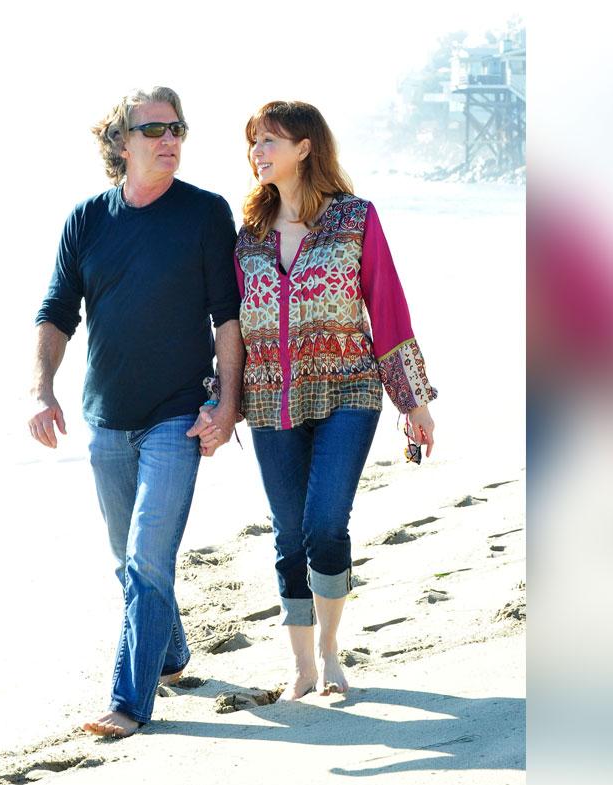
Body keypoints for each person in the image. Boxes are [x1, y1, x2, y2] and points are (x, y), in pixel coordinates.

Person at [29, 86, 243, 738]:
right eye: (155, 129)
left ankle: (129, 702)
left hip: (177, 419)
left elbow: (228, 318)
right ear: (121, 141)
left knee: (150, 560)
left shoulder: (205, 213)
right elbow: (57, 313)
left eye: (178, 127)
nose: (170, 139)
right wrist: (42, 388)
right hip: (107, 420)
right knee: (129, 561)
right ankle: (172, 653)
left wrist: (228, 403)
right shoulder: (87, 220)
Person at [235, 100, 438, 700]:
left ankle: (330, 649)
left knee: (326, 523)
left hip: (349, 389)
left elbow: (388, 307)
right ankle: (300, 663)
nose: (257, 152)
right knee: (289, 532)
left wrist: (413, 402)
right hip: (271, 399)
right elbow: (226, 326)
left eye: (269, 140)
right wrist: (218, 402)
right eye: (252, 143)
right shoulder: (245, 237)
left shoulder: (355, 219)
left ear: (305, 147)